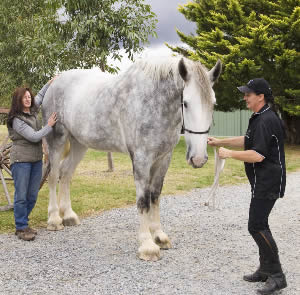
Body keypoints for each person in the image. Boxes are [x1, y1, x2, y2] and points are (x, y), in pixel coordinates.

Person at [208, 78, 287, 294]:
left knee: (256, 226)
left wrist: (229, 154)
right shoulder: (260, 117)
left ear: (260, 96)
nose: (245, 97)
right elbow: (247, 140)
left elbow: (258, 155)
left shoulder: (266, 120)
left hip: (268, 181)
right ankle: (265, 270)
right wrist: (220, 142)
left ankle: (277, 276)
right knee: (260, 224)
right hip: (262, 181)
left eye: (248, 94)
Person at [7, 79, 57, 241]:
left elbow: (41, 96)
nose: (28, 99)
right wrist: (49, 125)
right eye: (25, 97)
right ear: (19, 101)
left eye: (29, 97)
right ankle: (21, 227)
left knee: (32, 195)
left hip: (35, 160)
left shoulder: (32, 109)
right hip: (21, 161)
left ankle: (23, 222)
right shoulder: (16, 119)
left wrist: (50, 82)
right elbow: (34, 137)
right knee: (21, 195)